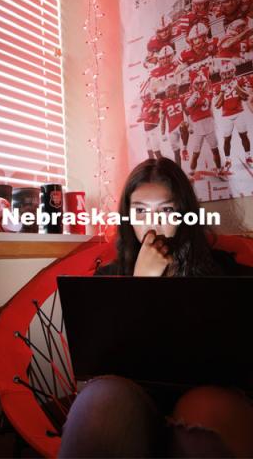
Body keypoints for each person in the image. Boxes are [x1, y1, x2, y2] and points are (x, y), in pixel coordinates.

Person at [58, 158, 253, 458]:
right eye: (140, 211)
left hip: (211, 389)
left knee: (205, 415)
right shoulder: (106, 280)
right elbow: (103, 366)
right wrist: (141, 281)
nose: (153, 223)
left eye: (166, 210)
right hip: (133, 395)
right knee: (98, 407)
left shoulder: (224, 272)